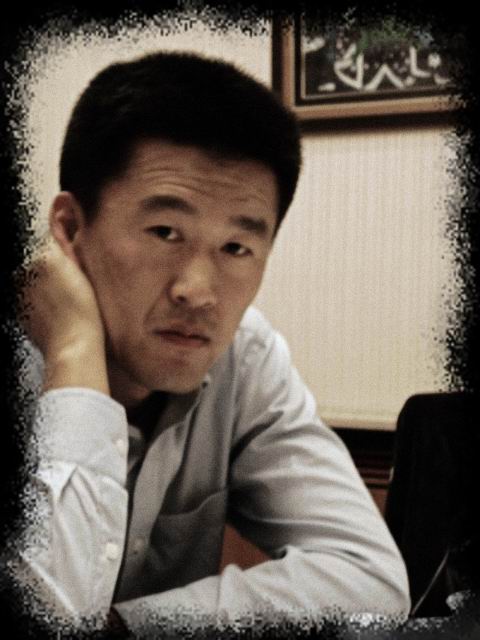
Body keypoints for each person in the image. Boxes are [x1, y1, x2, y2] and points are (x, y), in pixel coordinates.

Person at [11, 51, 410, 635]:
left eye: (236, 249)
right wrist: (74, 349)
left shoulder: (244, 358)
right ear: (70, 228)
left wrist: (129, 628)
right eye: (165, 232)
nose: (198, 292)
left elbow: (371, 581)